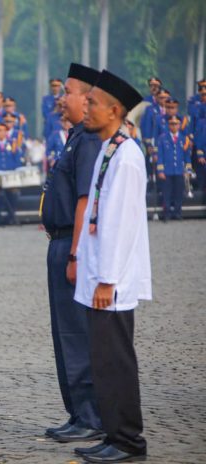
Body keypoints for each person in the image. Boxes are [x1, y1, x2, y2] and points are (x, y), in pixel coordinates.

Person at [74, 69, 150, 463]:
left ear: (115, 110)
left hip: (112, 283)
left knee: (115, 362)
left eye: (93, 103)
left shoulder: (128, 157)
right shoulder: (111, 147)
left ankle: (128, 442)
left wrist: (107, 279)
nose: (86, 107)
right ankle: (113, 433)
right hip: (100, 278)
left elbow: (120, 224)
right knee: (103, 362)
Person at [40, 63, 104, 445]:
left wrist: (76, 254)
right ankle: (76, 412)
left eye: (68, 92)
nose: (61, 99)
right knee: (63, 334)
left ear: (88, 98)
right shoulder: (73, 137)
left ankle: (91, 415)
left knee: (77, 333)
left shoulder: (88, 140)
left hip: (72, 244)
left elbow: (85, 200)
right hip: (59, 240)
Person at [156, 115, 192, 221]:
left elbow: (187, 156)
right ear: (168, 125)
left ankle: (178, 213)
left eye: (176, 123)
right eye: (172, 124)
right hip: (167, 170)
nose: (174, 126)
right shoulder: (162, 138)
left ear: (180, 125)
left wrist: (188, 169)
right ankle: (166, 214)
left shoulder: (184, 139)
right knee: (167, 193)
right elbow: (160, 156)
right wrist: (161, 170)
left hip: (179, 170)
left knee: (178, 193)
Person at [0, 122, 23, 225]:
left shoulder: (13, 143)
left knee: (13, 193)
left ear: (6, 132)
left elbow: (17, 160)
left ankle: (10, 217)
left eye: (1, 130)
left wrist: (16, 172)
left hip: (10, 175)